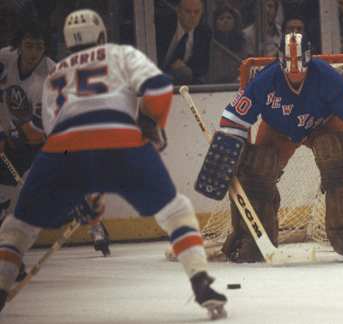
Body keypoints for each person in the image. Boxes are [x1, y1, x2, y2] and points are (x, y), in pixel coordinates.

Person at [0, 9, 227, 319]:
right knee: (176, 211)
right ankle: (201, 283)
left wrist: (83, 193)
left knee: (17, 228)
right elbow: (159, 86)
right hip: (121, 140)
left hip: (62, 151)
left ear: (67, 43)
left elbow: (62, 135)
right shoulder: (120, 54)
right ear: (103, 36)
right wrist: (151, 125)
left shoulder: (56, 73)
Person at [210, 32, 343, 263]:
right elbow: (233, 118)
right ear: (279, 61)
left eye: (301, 69)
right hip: (279, 128)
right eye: (289, 70)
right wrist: (226, 153)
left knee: (342, 158)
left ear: (310, 60)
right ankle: (252, 240)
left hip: (324, 124)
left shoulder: (328, 77)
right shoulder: (263, 80)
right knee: (255, 171)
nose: (295, 75)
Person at [0, 21, 111, 257]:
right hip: (13, 132)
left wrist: (20, 132)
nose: (33, 53)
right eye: (28, 46)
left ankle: (95, 224)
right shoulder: (5, 58)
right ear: (18, 45)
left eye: (39, 47)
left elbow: (37, 132)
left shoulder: (51, 76)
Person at [155, 0, 212, 85]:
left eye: (196, 12)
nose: (193, 16)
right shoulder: (162, 25)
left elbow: (202, 69)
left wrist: (184, 69)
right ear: (178, 12)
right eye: (188, 11)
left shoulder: (204, 32)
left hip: (184, 82)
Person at [207, 4, 246, 83]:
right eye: (221, 18)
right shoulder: (209, 42)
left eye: (229, 18)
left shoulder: (242, 41)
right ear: (215, 23)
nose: (225, 21)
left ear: (235, 21)